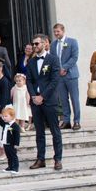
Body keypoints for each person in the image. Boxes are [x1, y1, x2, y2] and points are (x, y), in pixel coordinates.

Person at [26, 34, 63, 171]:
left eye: (37, 44)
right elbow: (28, 80)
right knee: (39, 132)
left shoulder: (53, 59)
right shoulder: (31, 62)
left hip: (49, 100)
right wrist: (34, 96)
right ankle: (40, 158)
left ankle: (57, 159)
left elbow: (54, 80)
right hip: (36, 101)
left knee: (55, 131)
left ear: (44, 43)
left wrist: (43, 96)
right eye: (33, 44)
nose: (34, 46)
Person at [50, 23, 81, 131]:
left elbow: (74, 57)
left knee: (74, 98)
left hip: (71, 74)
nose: (56, 33)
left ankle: (76, 121)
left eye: (57, 31)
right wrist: (57, 70)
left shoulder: (72, 42)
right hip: (59, 76)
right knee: (63, 99)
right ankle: (66, 121)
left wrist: (65, 68)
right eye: (54, 32)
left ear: (63, 31)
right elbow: (53, 59)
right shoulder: (53, 45)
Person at [0, 106, 22, 175]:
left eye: (6, 116)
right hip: (5, 142)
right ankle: (10, 166)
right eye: (3, 116)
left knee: (13, 155)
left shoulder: (15, 126)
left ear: (12, 116)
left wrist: (16, 144)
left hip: (12, 144)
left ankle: (15, 167)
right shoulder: (5, 124)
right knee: (8, 156)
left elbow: (17, 135)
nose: (4, 118)